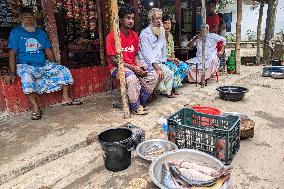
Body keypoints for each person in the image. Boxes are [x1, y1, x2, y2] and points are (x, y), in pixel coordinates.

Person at [4, 7, 81, 120]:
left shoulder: (40, 32)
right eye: (26, 18)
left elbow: (48, 50)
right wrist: (12, 72)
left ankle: (65, 97)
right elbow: (12, 52)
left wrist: (55, 64)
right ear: (21, 19)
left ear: (34, 18)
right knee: (26, 77)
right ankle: (35, 107)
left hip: (42, 63)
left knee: (63, 70)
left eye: (31, 18)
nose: (29, 20)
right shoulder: (16, 32)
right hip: (25, 65)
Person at [105, 4, 158, 115]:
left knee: (153, 75)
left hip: (133, 66)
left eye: (132, 18)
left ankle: (140, 100)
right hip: (117, 67)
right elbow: (113, 60)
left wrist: (138, 66)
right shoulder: (112, 37)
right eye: (128, 18)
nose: (131, 21)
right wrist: (133, 68)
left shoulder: (134, 35)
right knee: (132, 78)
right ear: (120, 19)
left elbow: (135, 55)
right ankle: (135, 107)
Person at [139, 8, 175, 98]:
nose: (159, 21)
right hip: (147, 64)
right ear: (151, 20)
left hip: (158, 62)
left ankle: (167, 92)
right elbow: (147, 54)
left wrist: (163, 63)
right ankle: (147, 95)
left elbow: (163, 48)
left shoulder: (161, 30)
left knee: (170, 73)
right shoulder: (144, 34)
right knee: (157, 75)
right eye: (157, 18)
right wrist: (157, 68)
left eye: (160, 18)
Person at [162, 15, 189, 94]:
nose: (167, 25)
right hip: (163, 61)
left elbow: (172, 52)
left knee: (185, 67)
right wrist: (170, 59)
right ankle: (170, 89)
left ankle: (173, 86)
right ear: (161, 24)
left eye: (169, 23)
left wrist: (174, 60)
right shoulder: (159, 36)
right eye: (165, 23)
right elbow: (159, 55)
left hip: (170, 60)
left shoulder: (170, 36)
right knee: (173, 68)